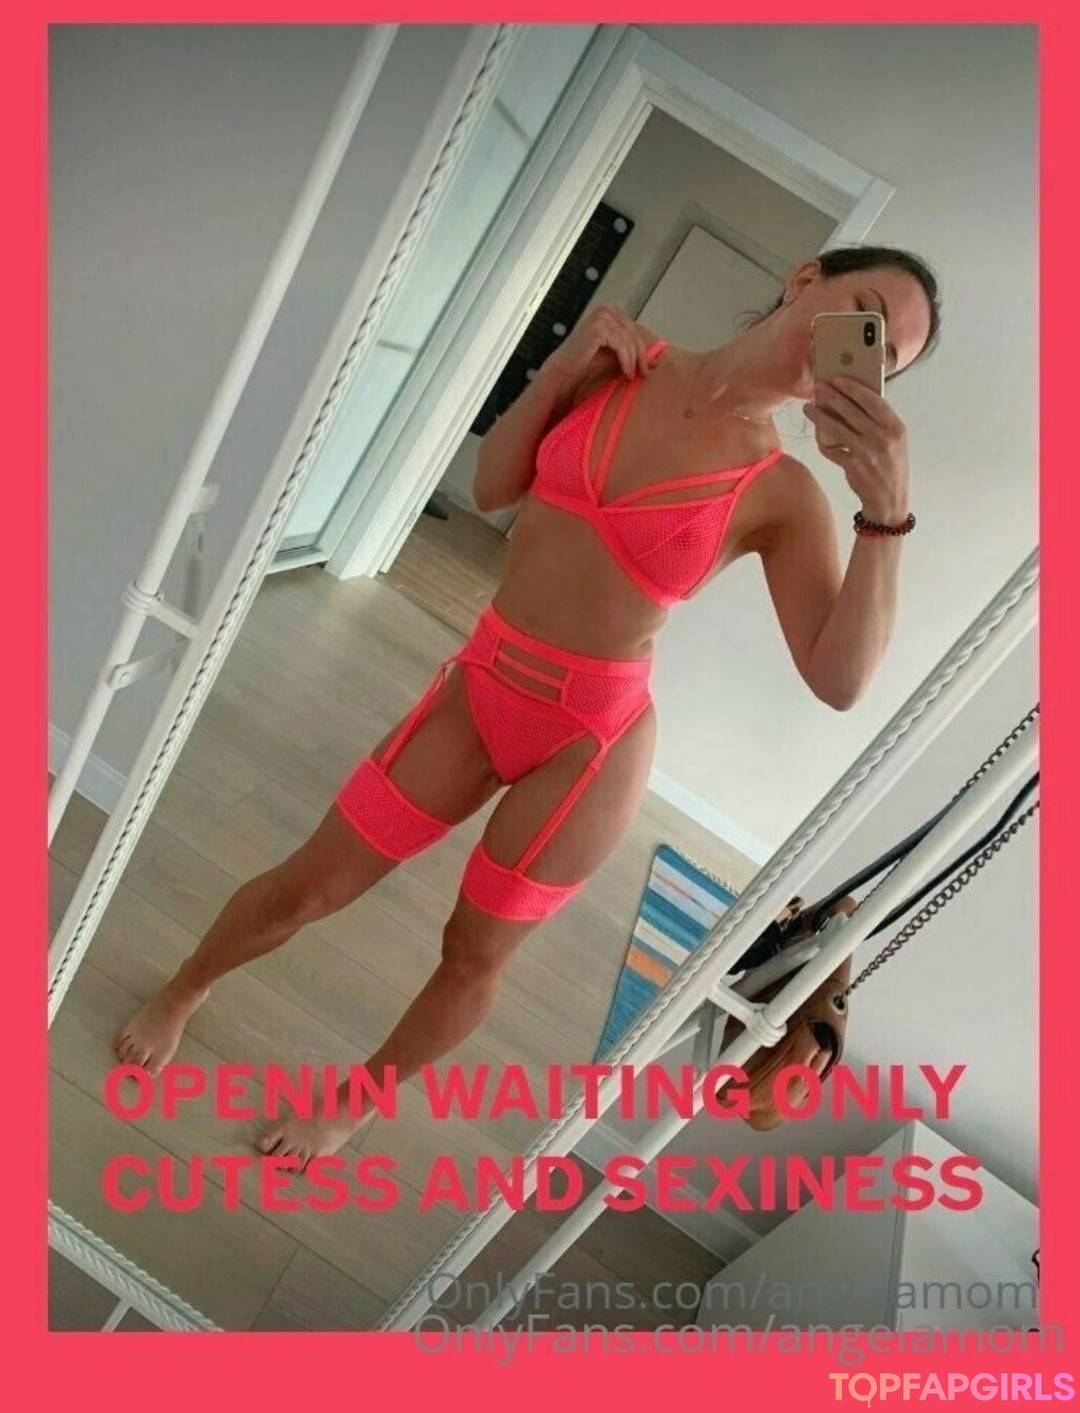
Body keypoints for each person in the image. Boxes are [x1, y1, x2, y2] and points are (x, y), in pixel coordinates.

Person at [113, 245, 940, 1170]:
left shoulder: (785, 495)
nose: (862, 349)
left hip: (592, 741)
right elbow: (492, 485)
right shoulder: (627, 359)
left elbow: (838, 680)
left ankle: (355, 1101)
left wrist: (888, 513)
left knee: (472, 952)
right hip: (484, 682)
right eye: (865, 313)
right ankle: (185, 988)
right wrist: (559, 370)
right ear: (807, 279)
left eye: (885, 356)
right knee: (314, 880)